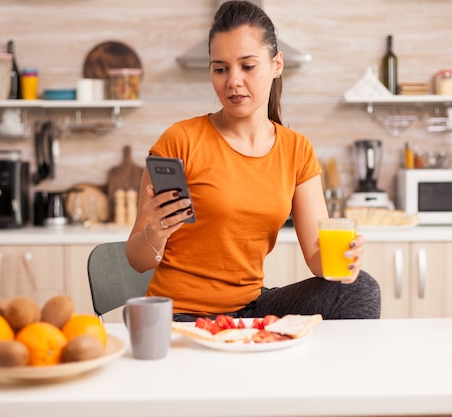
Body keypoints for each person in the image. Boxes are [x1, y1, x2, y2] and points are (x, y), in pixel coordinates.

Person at [126, 0, 380, 321]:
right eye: (220, 69)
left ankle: (337, 373)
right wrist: (156, 231)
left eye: (247, 66)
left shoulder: (296, 149)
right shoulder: (180, 141)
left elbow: (317, 259)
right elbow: (136, 259)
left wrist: (345, 259)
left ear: (277, 65)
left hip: (251, 307)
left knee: (361, 287)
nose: (233, 81)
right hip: (182, 313)